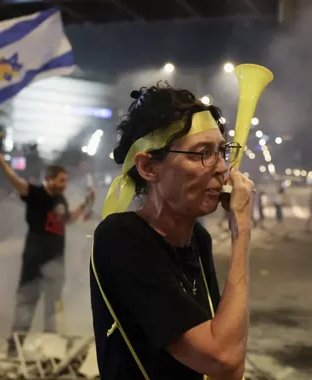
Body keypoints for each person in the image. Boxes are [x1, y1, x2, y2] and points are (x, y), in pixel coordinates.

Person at [90, 84, 254, 380]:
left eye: (221, 152)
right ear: (149, 167)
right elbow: (224, 360)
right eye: (203, 153)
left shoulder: (197, 239)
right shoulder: (121, 239)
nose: (222, 169)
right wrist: (241, 232)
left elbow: (230, 366)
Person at [0, 156, 95, 357]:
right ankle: (14, 348)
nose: (64, 184)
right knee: (26, 304)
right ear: (49, 180)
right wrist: (3, 165)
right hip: (34, 262)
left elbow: (65, 220)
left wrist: (86, 203)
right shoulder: (36, 194)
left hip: (56, 263)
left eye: (66, 180)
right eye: (61, 180)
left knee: (53, 308)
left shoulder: (60, 200)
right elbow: (17, 182)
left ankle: (51, 347)